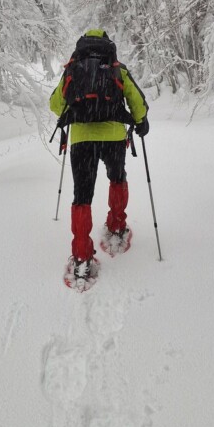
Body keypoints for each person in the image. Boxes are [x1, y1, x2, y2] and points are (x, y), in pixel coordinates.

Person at [50, 29, 149, 283]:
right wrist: (141, 121)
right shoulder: (117, 67)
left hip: (83, 140)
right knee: (117, 178)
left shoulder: (73, 68)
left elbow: (55, 104)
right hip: (114, 137)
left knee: (82, 195)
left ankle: (82, 258)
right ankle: (117, 228)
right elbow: (136, 99)